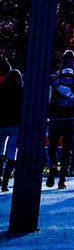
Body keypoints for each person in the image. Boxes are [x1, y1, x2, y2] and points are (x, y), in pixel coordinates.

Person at [47, 49, 74, 189]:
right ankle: (63, 178)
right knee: (67, 148)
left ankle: (52, 164)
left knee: (52, 145)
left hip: (55, 119)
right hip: (71, 119)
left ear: (62, 64)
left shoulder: (54, 81)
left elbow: (48, 99)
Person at [0, 54, 23, 191]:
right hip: (16, 125)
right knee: (11, 152)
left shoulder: (2, 88)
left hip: (2, 124)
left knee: (0, 150)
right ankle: (5, 183)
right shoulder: (21, 91)